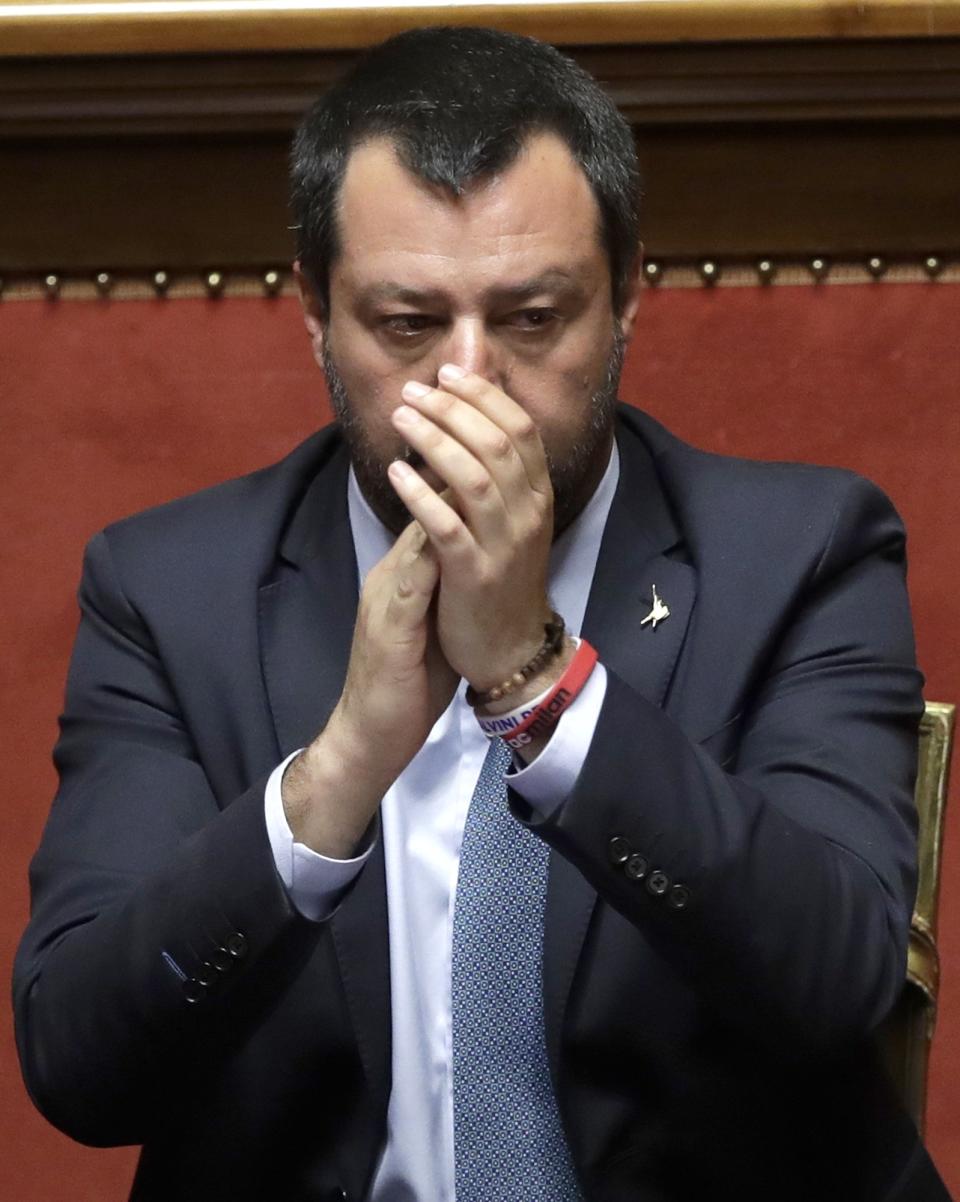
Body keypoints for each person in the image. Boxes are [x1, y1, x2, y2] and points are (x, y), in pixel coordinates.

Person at [13, 25, 950, 1202]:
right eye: (407, 325)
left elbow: (834, 984)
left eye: (532, 318)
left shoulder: (798, 554)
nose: (470, 384)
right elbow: (84, 1068)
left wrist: (536, 680)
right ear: (315, 313)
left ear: (625, 300)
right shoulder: (170, 587)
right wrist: (341, 766)